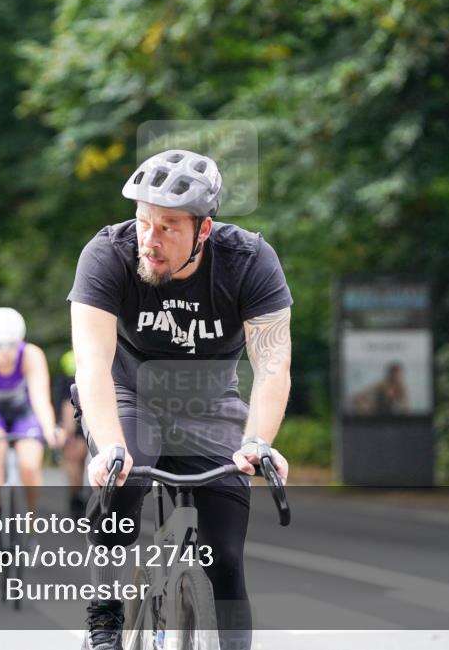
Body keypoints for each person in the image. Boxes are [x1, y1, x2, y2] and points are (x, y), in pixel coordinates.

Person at [69, 149, 292, 650]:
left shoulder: (250, 261)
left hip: (210, 406)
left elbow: (273, 364)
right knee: (121, 482)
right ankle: (104, 617)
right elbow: (93, 366)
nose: (151, 239)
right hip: (129, 394)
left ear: (204, 230)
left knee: (226, 559)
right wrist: (108, 448)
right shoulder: (106, 254)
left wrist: (258, 441)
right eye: (144, 222)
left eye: (169, 227)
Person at [0, 307, 64, 547]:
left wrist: (50, 429)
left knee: (30, 461)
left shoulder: (31, 355)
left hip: (23, 411)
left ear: (20, 342)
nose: (5, 352)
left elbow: (40, 398)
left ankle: (30, 530)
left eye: (10, 345)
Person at [54, 349, 88, 519]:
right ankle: (77, 499)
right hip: (81, 418)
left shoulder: (68, 361)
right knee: (77, 459)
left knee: (75, 460)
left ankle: (76, 498)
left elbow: (66, 404)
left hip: (78, 419)